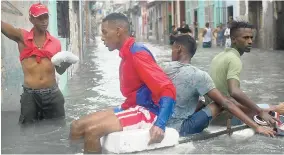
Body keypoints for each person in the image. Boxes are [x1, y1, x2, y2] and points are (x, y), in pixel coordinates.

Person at [69, 13, 176, 154]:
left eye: (105, 32)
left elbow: (168, 88)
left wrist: (160, 124)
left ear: (118, 31)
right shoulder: (127, 53)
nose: (102, 38)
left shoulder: (137, 53)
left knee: (92, 132)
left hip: (148, 111)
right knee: (76, 126)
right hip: (131, 106)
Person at [160, 35, 276, 137]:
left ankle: (261, 112)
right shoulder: (199, 75)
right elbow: (227, 103)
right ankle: (258, 118)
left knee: (202, 101)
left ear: (179, 48)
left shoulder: (162, 68)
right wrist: (256, 127)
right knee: (222, 102)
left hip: (161, 123)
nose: (172, 52)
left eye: (172, 49)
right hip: (183, 128)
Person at [1, 3, 72, 124]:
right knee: (27, 132)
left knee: (57, 129)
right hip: (30, 96)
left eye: (46, 17)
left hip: (53, 95)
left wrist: (66, 64)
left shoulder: (55, 43)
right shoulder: (22, 37)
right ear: (31, 19)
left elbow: (59, 71)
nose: (44, 21)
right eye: (40, 18)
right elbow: (2, 26)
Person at [208, 21, 282, 128]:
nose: (250, 41)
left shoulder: (220, 56)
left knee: (271, 108)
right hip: (224, 116)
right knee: (272, 114)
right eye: (245, 38)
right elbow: (234, 92)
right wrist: (260, 112)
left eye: (251, 38)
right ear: (233, 39)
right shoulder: (234, 59)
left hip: (213, 111)